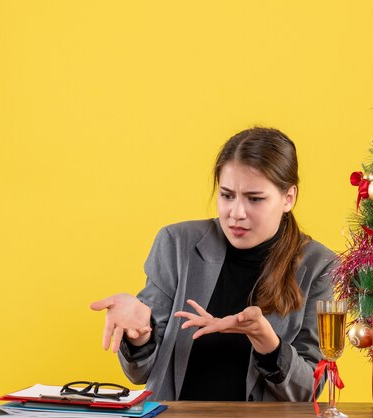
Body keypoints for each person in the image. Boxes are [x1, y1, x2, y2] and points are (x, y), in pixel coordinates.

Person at [90, 127, 337, 402]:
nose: (236, 213)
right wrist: (140, 337)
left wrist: (269, 344)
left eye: (254, 199)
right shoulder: (176, 244)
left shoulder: (320, 266)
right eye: (227, 195)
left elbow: (309, 391)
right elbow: (141, 373)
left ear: (288, 198)